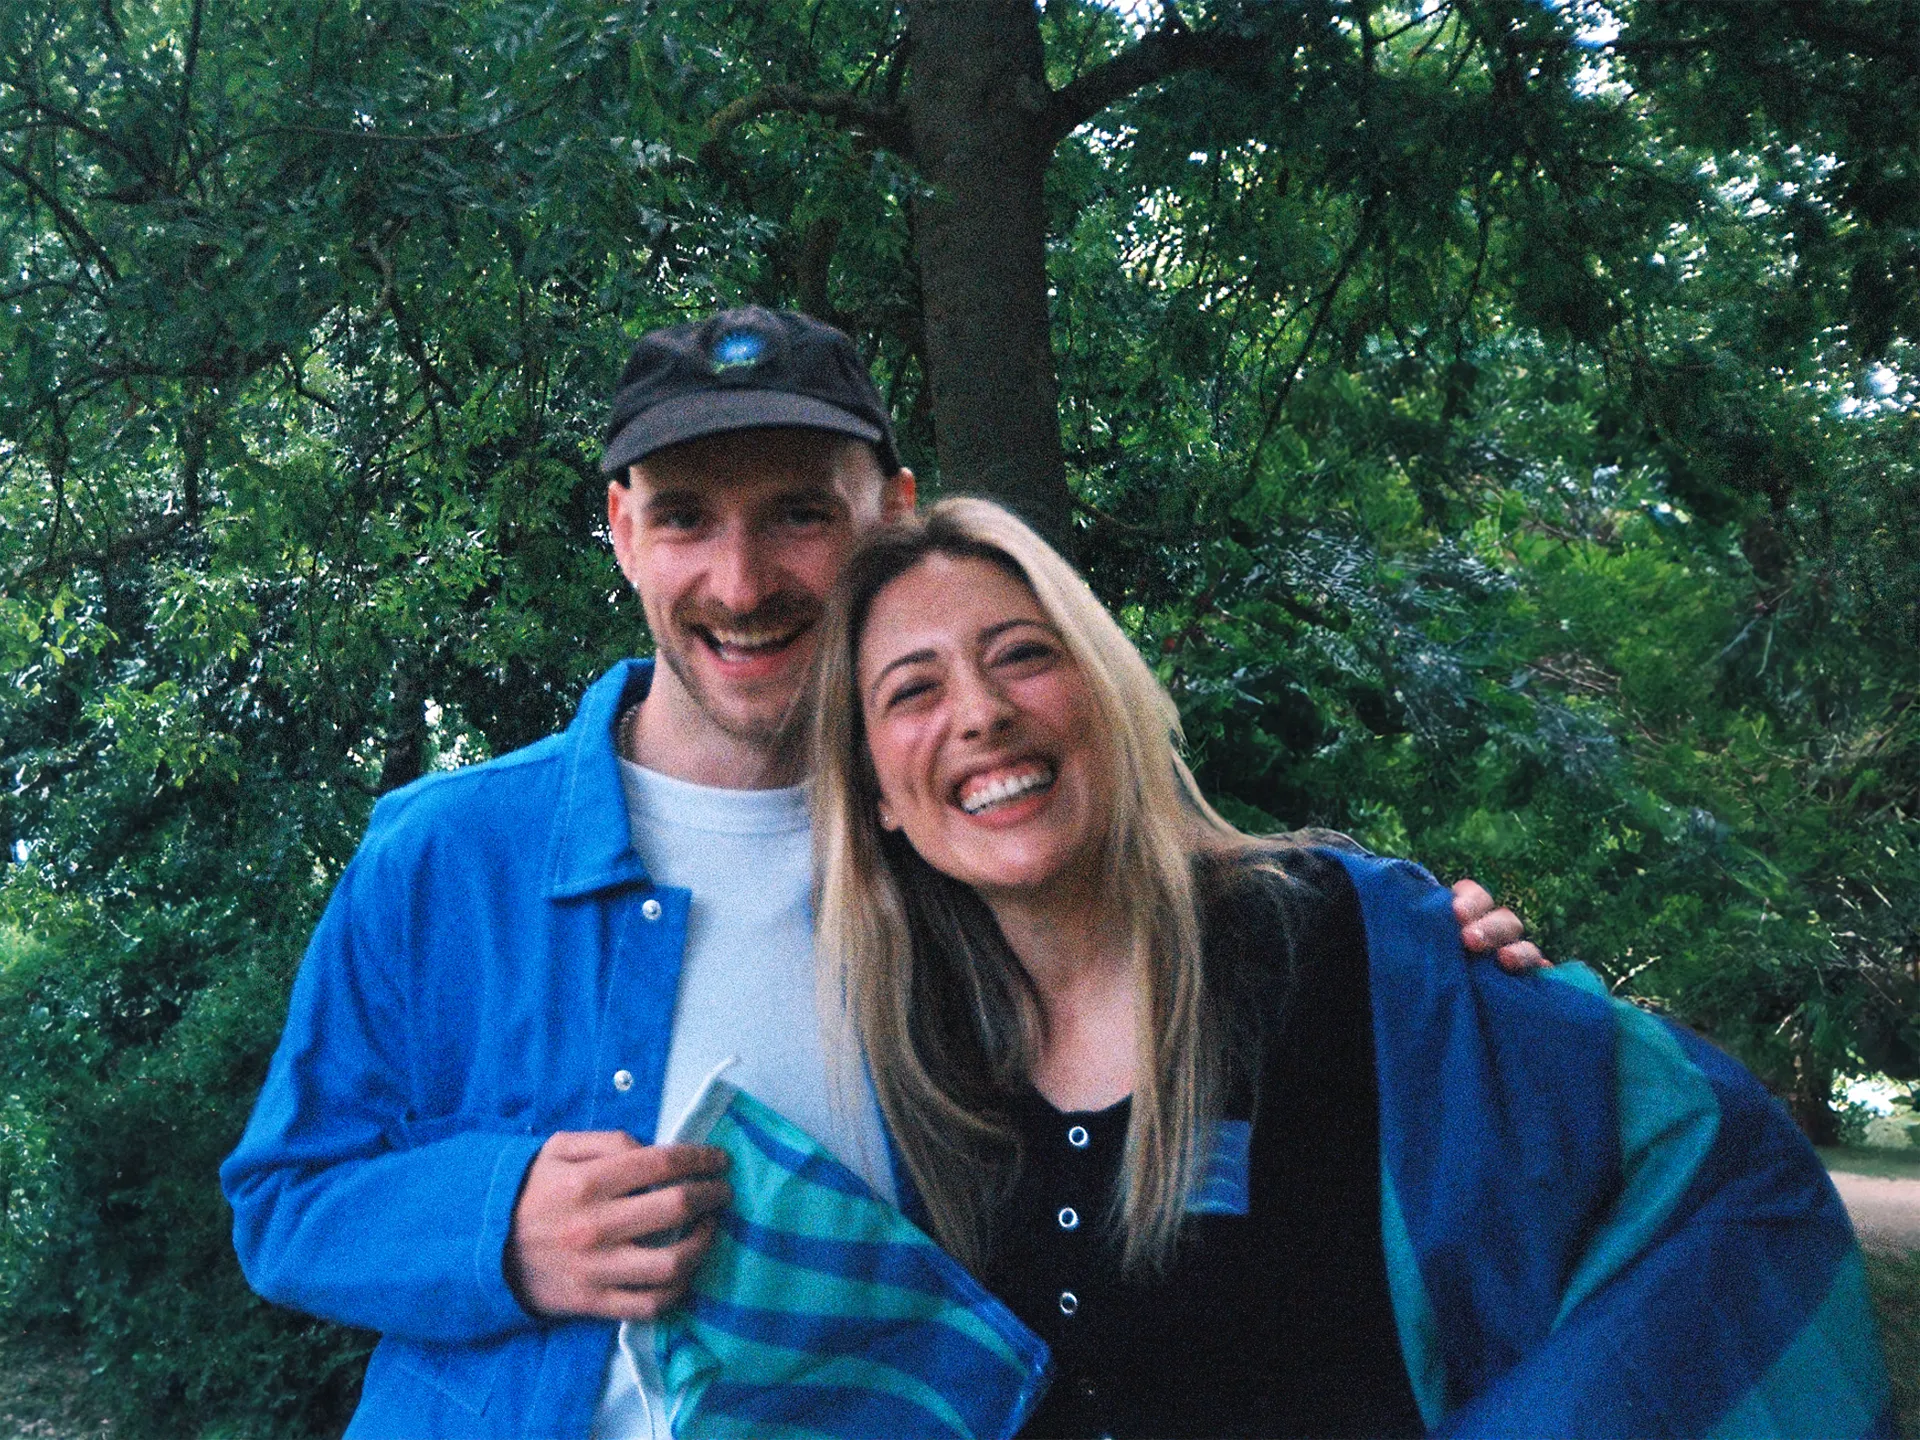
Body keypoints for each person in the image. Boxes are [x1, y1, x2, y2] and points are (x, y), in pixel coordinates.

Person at [220, 307, 1539, 1439]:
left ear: (889, 513)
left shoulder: (977, 838)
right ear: (621, 530)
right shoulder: (443, 856)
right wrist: (496, 1225)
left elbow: (1210, 960)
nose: (739, 580)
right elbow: (283, 1199)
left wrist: (1426, 968)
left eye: (799, 511)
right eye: (685, 517)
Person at [807, 497, 1893, 1439]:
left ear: (1105, 692)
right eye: (913, 691)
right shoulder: (918, 1071)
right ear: (881, 800)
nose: (983, 713)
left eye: (1024, 655)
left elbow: (1725, 1180)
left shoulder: (1347, 946)